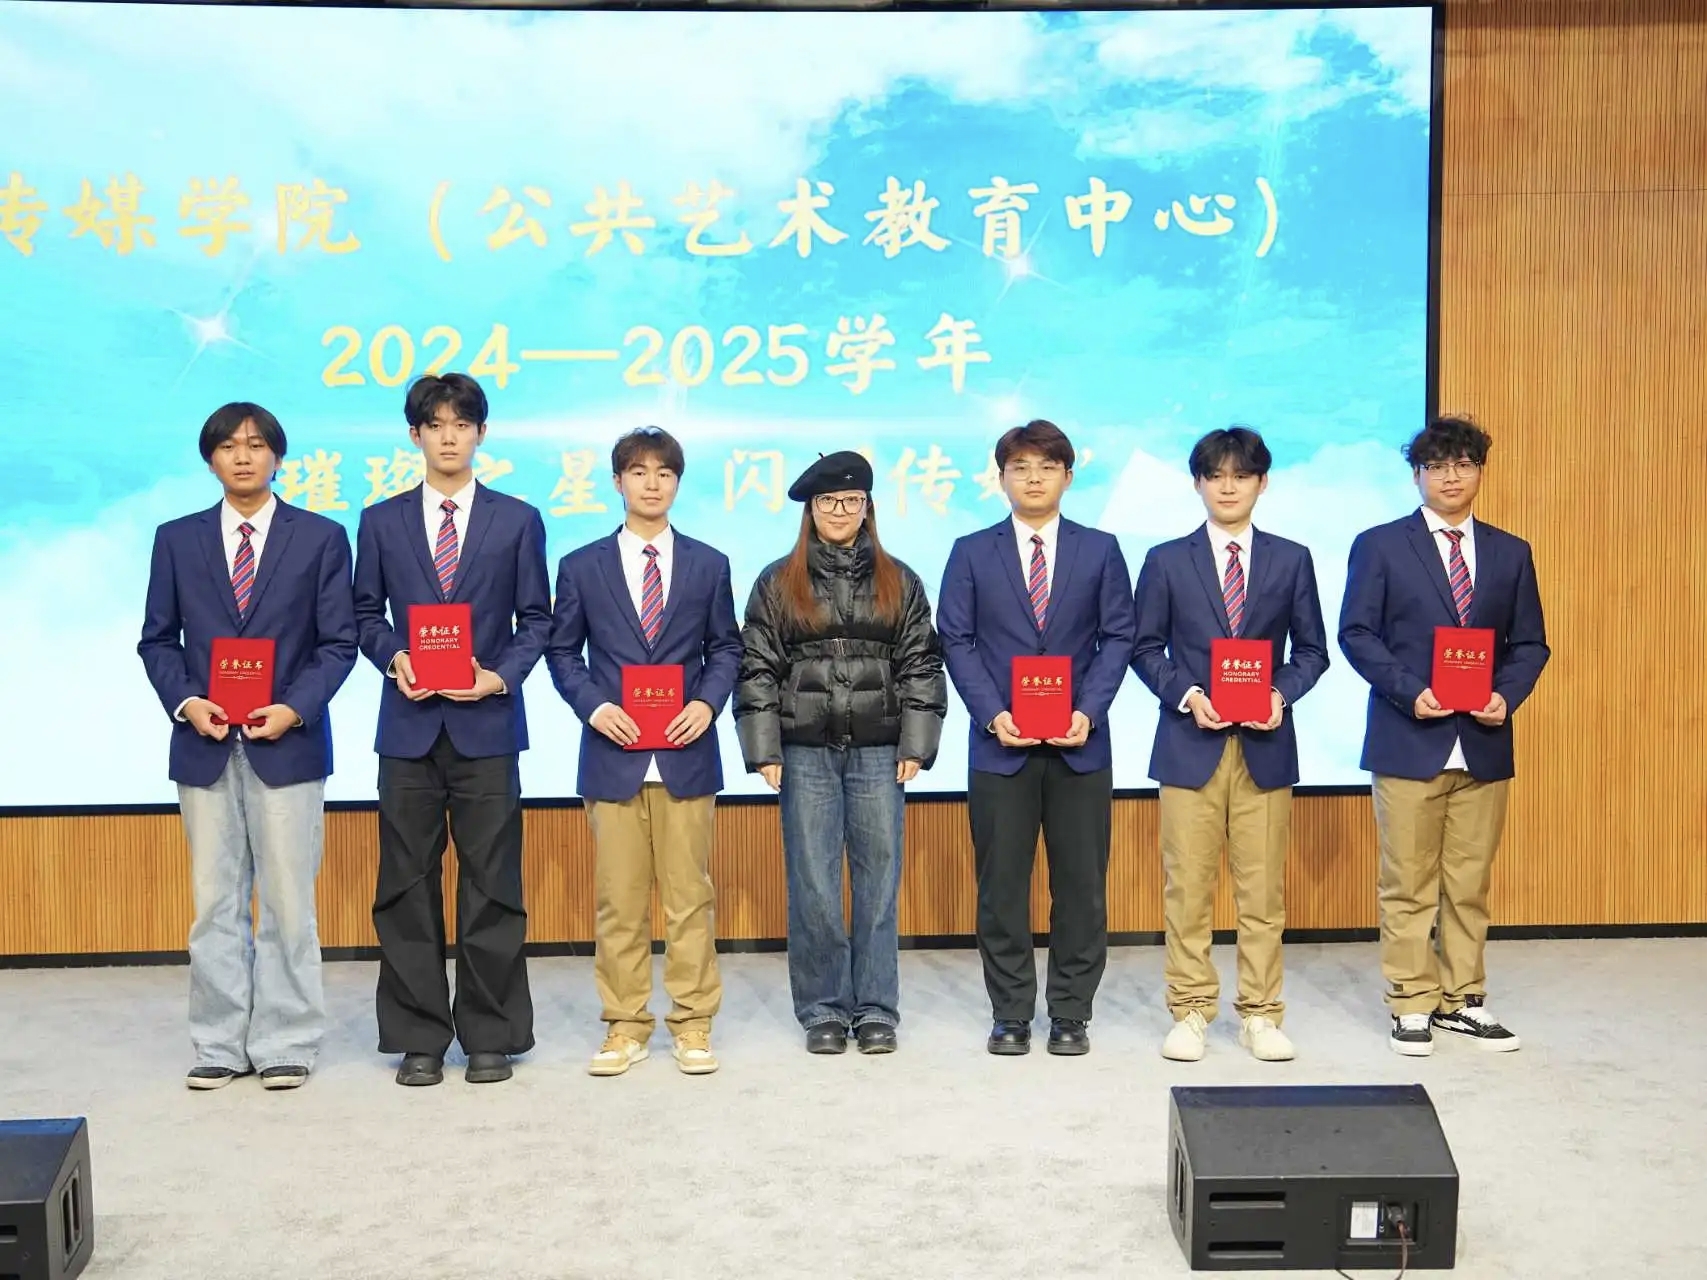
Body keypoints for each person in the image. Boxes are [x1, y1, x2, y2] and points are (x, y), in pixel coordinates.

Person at [138, 402, 357, 1090]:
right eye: (229, 446)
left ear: (277, 457)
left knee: (288, 902)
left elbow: (338, 643)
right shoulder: (177, 539)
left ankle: (287, 1038)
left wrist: (293, 708)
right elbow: (157, 640)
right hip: (203, 742)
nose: (242, 455)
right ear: (210, 459)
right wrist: (187, 701)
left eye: (257, 444)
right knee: (214, 901)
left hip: (287, 743)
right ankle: (218, 1041)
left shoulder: (320, 538)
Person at [352, 372, 551, 1087]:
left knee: (492, 884)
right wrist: (394, 657)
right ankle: (420, 1037)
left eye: (461, 424)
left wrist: (498, 677)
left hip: (486, 725)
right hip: (408, 725)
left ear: (481, 434)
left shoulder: (517, 519)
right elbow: (363, 614)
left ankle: (491, 1033)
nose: (448, 437)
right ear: (414, 435)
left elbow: (537, 619)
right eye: (434, 425)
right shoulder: (380, 521)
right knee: (405, 886)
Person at [1338, 415, 1549, 1057]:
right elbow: (1357, 634)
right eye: (1437, 466)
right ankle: (1411, 1001)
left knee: (1469, 882)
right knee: (1407, 881)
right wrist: (1410, 691)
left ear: (1480, 471)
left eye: (1463, 464)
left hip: (1483, 741)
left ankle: (1463, 999)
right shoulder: (1380, 545)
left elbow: (1530, 644)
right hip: (1409, 736)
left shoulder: (1511, 552)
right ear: (1417, 475)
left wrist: (1504, 695)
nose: (1451, 477)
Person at [735, 451, 947, 1056]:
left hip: (880, 752)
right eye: (827, 501)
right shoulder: (778, 581)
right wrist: (763, 749)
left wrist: (917, 743)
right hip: (804, 753)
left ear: (868, 507)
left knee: (879, 883)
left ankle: (877, 1009)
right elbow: (757, 668)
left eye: (851, 501)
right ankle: (823, 1009)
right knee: (814, 886)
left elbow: (921, 664)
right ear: (810, 509)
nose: (839, 511)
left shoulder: (900, 580)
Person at [937, 419, 1137, 1057]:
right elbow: (956, 639)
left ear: (1067, 477)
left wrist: (1090, 710)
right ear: (1001, 478)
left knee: (1081, 887)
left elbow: (1120, 636)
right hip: (1001, 746)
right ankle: (1011, 1013)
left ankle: (1072, 1012)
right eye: (1020, 467)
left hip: (1081, 746)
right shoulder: (972, 551)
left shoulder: (1100, 549)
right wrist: (992, 713)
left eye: (1047, 467)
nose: (1033, 478)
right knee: (1002, 888)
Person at [547, 427, 742, 1077]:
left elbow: (727, 648)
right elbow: (561, 651)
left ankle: (692, 1021)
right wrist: (594, 707)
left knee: (690, 898)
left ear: (677, 483)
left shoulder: (709, 563)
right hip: (614, 753)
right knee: (619, 902)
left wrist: (706, 704)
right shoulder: (581, 565)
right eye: (638, 471)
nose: (651, 483)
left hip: (686, 752)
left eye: (663, 472)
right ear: (617, 482)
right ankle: (624, 1023)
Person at [1130, 427, 1329, 1063]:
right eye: (1215, 475)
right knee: (1187, 889)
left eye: (1241, 475)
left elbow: (1313, 651)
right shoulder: (1166, 559)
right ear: (1197, 484)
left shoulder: (1292, 559)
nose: (1228, 487)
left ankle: (1261, 1013)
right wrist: (1187, 693)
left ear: (1262, 483)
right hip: (1190, 742)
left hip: (1265, 747)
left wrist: (1280, 694)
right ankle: (1190, 1010)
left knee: (1262, 892)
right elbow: (1144, 647)